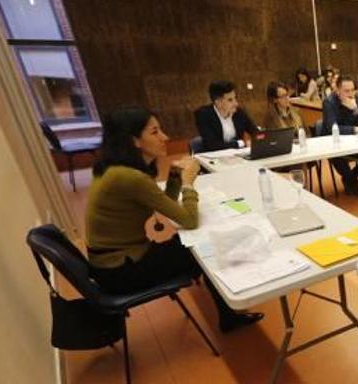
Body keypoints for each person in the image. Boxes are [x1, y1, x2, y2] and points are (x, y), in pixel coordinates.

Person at [87, 106, 263, 332]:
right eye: (155, 132)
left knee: (195, 243)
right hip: (121, 272)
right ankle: (230, 313)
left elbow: (162, 206)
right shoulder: (129, 177)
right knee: (204, 247)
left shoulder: (115, 169)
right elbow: (189, 220)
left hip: (110, 264)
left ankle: (228, 311)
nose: (165, 137)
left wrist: (173, 177)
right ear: (134, 141)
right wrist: (188, 182)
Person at [320, 76, 358, 196]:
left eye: (352, 90)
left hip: (356, 143)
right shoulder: (329, 102)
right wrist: (356, 129)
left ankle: (349, 178)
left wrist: (355, 110)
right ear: (337, 91)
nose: (351, 94)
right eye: (346, 91)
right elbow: (333, 129)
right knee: (338, 158)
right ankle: (352, 181)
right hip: (334, 145)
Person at [193, 80, 258, 152]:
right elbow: (212, 145)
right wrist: (240, 143)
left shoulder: (239, 112)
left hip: (237, 156)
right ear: (218, 102)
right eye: (230, 100)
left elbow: (256, 132)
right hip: (214, 158)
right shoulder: (204, 115)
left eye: (235, 98)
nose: (236, 104)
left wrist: (257, 140)